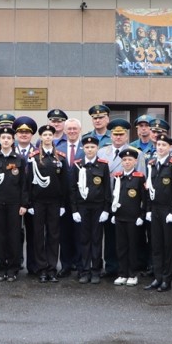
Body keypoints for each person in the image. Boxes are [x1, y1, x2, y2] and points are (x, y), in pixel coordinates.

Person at [98, 119, 144, 280]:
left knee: (130, 239)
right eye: (115, 134)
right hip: (107, 200)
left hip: (128, 203)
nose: (118, 137)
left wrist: (141, 208)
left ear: (127, 136)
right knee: (110, 236)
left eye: (121, 134)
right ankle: (111, 267)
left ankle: (130, 269)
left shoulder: (136, 153)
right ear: (110, 135)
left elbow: (141, 180)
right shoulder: (102, 152)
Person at [0, 126, 29, 282]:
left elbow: (24, 184)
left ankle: (13, 268)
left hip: (14, 204)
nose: (5, 140)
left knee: (14, 235)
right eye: (3, 138)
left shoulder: (19, 159)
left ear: (13, 140)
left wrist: (24, 204)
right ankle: (1, 267)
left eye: (8, 138)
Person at [29, 124, 69, 283]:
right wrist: (29, 204)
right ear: (41, 137)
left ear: (53, 137)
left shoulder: (60, 158)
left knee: (53, 236)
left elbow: (64, 184)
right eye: (44, 135)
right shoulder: (33, 157)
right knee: (38, 236)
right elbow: (28, 182)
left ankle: (52, 268)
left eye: (50, 135)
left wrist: (62, 205)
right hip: (38, 202)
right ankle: (42, 269)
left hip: (54, 203)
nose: (47, 137)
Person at [70, 136, 112, 285]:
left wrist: (106, 209)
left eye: (92, 147)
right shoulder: (77, 165)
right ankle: (84, 271)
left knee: (96, 239)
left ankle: (96, 271)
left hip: (98, 208)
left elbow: (107, 189)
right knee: (84, 240)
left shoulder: (103, 165)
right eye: (87, 147)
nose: (89, 150)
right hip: (82, 208)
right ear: (83, 148)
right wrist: (74, 210)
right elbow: (72, 189)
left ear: (97, 148)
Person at [144, 134, 172, 293]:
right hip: (155, 209)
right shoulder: (151, 164)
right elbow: (148, 189)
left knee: (168, 246)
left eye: (164, 145)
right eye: (158, 144)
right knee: (156, 245)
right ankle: (157, 277)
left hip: (167, 210)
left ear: (170, 147)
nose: (160, 147)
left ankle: (166, 279)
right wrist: (148, 209)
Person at [110, 148, 146, 287]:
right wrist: (114, 214)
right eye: (124, 160)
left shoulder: (139, 177)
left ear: (135, 161)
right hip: (120, 217)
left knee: (133, 247)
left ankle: (132, 274)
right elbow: (115, 196)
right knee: (121, 247)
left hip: (133, 219)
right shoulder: (118, 177)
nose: (127, 162)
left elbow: (145, 199)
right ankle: (122, 273)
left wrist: (142, 215)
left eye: (130, 160)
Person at [58, 118, 84, 278]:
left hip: (81, 198)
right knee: (64, 233)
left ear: (80, 130)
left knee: (80, 234)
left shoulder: (86, 147)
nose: (72, 131)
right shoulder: (58, 148)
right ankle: (66, 265)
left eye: (75, 128)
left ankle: (80, 266)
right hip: (63, 198)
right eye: (69, 129)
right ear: (65, 131)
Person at [13, 116, 37, 274]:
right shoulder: (9, 152)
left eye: (27, 132)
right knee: (14, 233)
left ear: (32, 134)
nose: (23, 134)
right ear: (16, 134)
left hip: (34, 199)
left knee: (33, 233)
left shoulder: (38, 153)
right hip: (14, 199)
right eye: (20, 132)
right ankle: (15, 264)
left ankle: (33, 265)